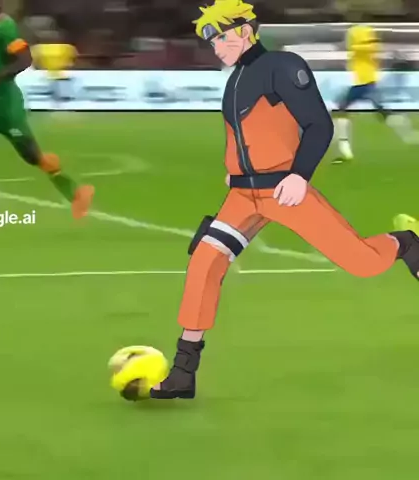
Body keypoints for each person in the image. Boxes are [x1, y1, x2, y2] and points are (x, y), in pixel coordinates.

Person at [150, 0, 419, 400]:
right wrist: (234, 170)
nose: (216, 48)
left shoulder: (281, 66)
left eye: (221, 38)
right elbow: (243, 136)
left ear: (245, 31)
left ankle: (406, 243)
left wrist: (299, 176)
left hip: (282, 191)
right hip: (243, 195)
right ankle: (183, 374)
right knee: (204, 264)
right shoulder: (236, 78)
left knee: (362, 262)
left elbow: (319, 124)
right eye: (212, 42)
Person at [0, 0, 94, 229]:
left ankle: (75, 193)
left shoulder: (5, 28)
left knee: (33, 157)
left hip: (6, 107)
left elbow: (25, 59)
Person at [333, 20, 416, 163]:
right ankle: (409, 135)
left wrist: (348, 41)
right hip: (368, 84)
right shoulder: (371, 47)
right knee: (383, 112)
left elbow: (346, 46)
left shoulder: (359, 49)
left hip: (362, 85)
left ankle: (345, 151)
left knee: (340, 110)